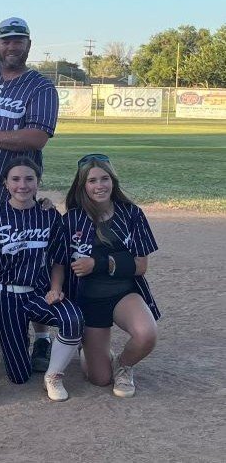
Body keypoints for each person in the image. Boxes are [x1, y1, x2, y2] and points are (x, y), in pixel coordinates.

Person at [0, 17, 60, 369]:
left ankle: (42, 337)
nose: (12, 46)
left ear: (28, 45)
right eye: (6, 41)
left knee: (28, 261)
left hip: (15, 193)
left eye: (19, 41)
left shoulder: (40, 87)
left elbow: (37, 137)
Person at [0, 157, 83, 401]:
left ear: (38, 182)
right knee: (18, 376)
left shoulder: (49, 215)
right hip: (6, 295)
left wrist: (56, 288)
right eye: (15, 179)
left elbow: (59, 259)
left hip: (39, 293)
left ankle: (53, 375)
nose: (22, 185)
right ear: (5, 183)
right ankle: (28, 344)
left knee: (73, 319)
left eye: (29, 179)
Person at [62, 154, 159, 398]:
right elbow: (55, 257)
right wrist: (41, 204)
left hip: (123, 294)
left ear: (113, 181)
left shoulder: (131, 214)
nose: (99, 185)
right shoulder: (71, 219)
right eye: (92, 180)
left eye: (104, 178)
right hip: (89, 301)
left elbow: (140, 265)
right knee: (100, 379)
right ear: (82, 186)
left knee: (146, 335)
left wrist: (97, 264)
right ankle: (87, 348)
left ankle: (123, 365)